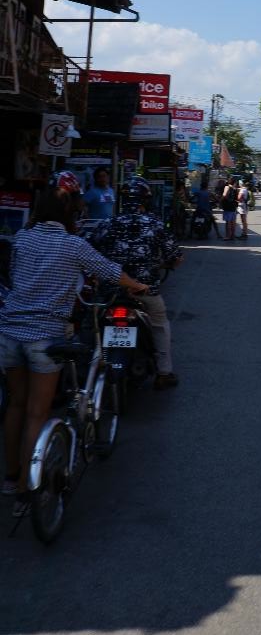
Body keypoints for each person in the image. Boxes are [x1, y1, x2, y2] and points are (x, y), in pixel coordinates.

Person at [0, 171, 148, 516]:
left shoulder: (22, 238)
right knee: (38, 411)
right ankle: (25, 491)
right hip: (45, 334)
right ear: (70, 213)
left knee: (16, 407)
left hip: (8, 332)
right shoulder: (73, 245)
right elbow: (110, 271)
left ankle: (9, 478)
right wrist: (137, 285)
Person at [90, 177, 182, 391]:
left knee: (93, 324)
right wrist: (171, 263)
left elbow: (89, 250)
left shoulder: (108, 223)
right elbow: (175, 255)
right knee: (159, 324)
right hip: (146, 289)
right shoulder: (155, 224)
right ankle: (164, 372)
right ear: (146, 200)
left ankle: (93, 366)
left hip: (112, 289)